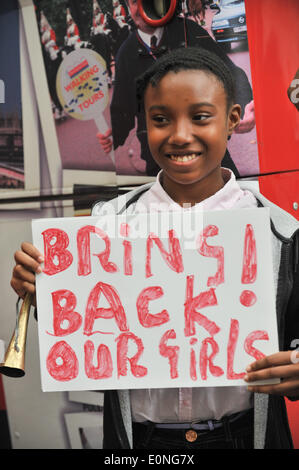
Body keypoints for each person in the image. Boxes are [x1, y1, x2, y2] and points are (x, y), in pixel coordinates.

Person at [11, 47, 299, 449]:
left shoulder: (281, 232)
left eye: (200, 116)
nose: (180, 135)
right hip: (142, 443)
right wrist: (41, 293)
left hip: (242, 436)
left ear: (233, 119)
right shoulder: (106, 226)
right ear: (145, 123)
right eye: (161, 119)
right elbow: (86, 331)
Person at [97, 0, 255, 177]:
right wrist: (114, 136)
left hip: (208, 151)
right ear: (128, 8)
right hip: (160, 162)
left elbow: (230, 72)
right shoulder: (126, 53)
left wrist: (245, 107)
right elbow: (123, 108)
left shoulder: (189, 31)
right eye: (134, 2)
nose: (141, 8)